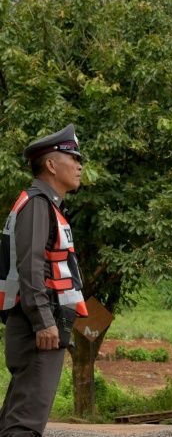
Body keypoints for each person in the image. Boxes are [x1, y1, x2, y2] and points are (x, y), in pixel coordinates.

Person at [0, 124, 89, 436]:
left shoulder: (47, 204)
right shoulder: (38, 203)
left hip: (41, 323)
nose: (80, 165)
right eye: (74, 157)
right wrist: (43, 321)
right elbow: (31, 267)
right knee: (25, 424)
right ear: (51, 165)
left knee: (18, 415)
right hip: (38, 327)